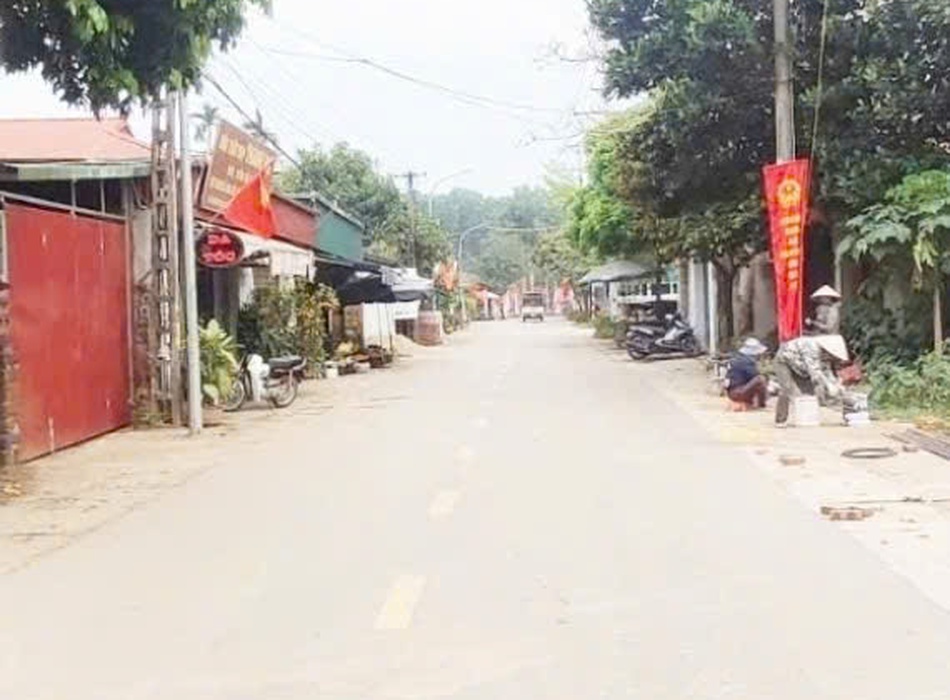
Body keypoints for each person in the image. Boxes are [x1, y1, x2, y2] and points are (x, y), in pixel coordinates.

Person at [773, 334, 849, 426]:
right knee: (786, 388)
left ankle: (806, 418)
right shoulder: (811, 346)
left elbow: (826, 371)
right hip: (784, 361)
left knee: (808, 393)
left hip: (800, 367)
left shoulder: (825, 355)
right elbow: (814, 371)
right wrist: (828, 385)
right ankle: (780, 420)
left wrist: (835, 384)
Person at [725, 338, 769, 409]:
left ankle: (753, 401)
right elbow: (755, 375)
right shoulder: (747, 361)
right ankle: (761, 404)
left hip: (731, 392)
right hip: (737, 392)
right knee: (760, 379)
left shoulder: (737, 358)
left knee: (758, 381)